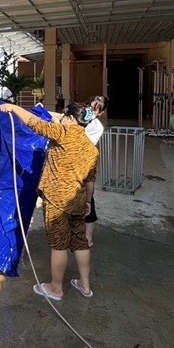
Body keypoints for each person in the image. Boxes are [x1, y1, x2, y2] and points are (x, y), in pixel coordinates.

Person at [0, 101, 99, 300]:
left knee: (58, 245)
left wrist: (14, 107)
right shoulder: (91, 147)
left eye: (63, 117)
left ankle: (56, 288)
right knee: (80, 242)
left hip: (57, 200)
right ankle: (85, 286)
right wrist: (88, 201)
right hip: (78, 200)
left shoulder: (63, 133)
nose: (61, 119)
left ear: (70, 119)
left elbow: (34, 124)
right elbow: (90, 180)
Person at [83, 95, 108, 247]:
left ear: (101, 113)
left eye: (95, 110)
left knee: (88, 201)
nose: (91, 111)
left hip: (84, 167)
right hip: (70, 171)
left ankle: (88, 237)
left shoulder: (97, 127)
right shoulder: (76, 118)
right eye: (90, 107)